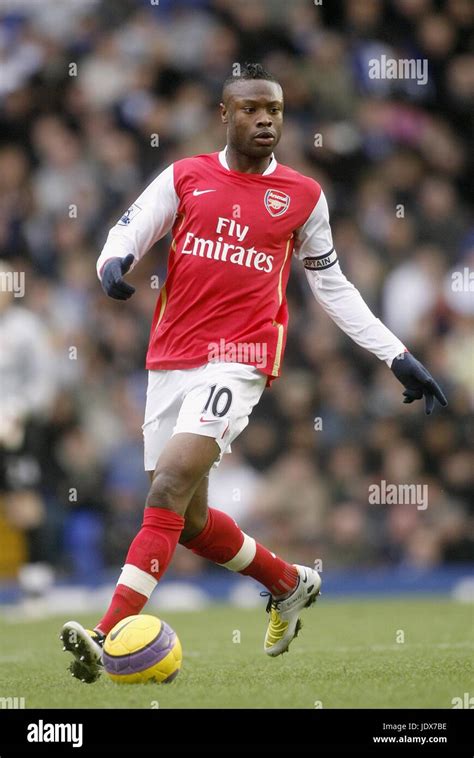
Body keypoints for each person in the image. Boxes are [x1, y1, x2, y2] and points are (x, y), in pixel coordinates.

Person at [60, 63, 447, 682]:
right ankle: (288, 583)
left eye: (274, 110)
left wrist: (395, 355)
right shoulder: (186, 175)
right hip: (169, 360)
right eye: (251, 109)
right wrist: (114, 264)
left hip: (240, 359)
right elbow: (133, 226)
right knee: (188, 525)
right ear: (226, 115)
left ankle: (106, 634)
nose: (265, 119)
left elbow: (333, 287)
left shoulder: (302, 197)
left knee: (166, 489)